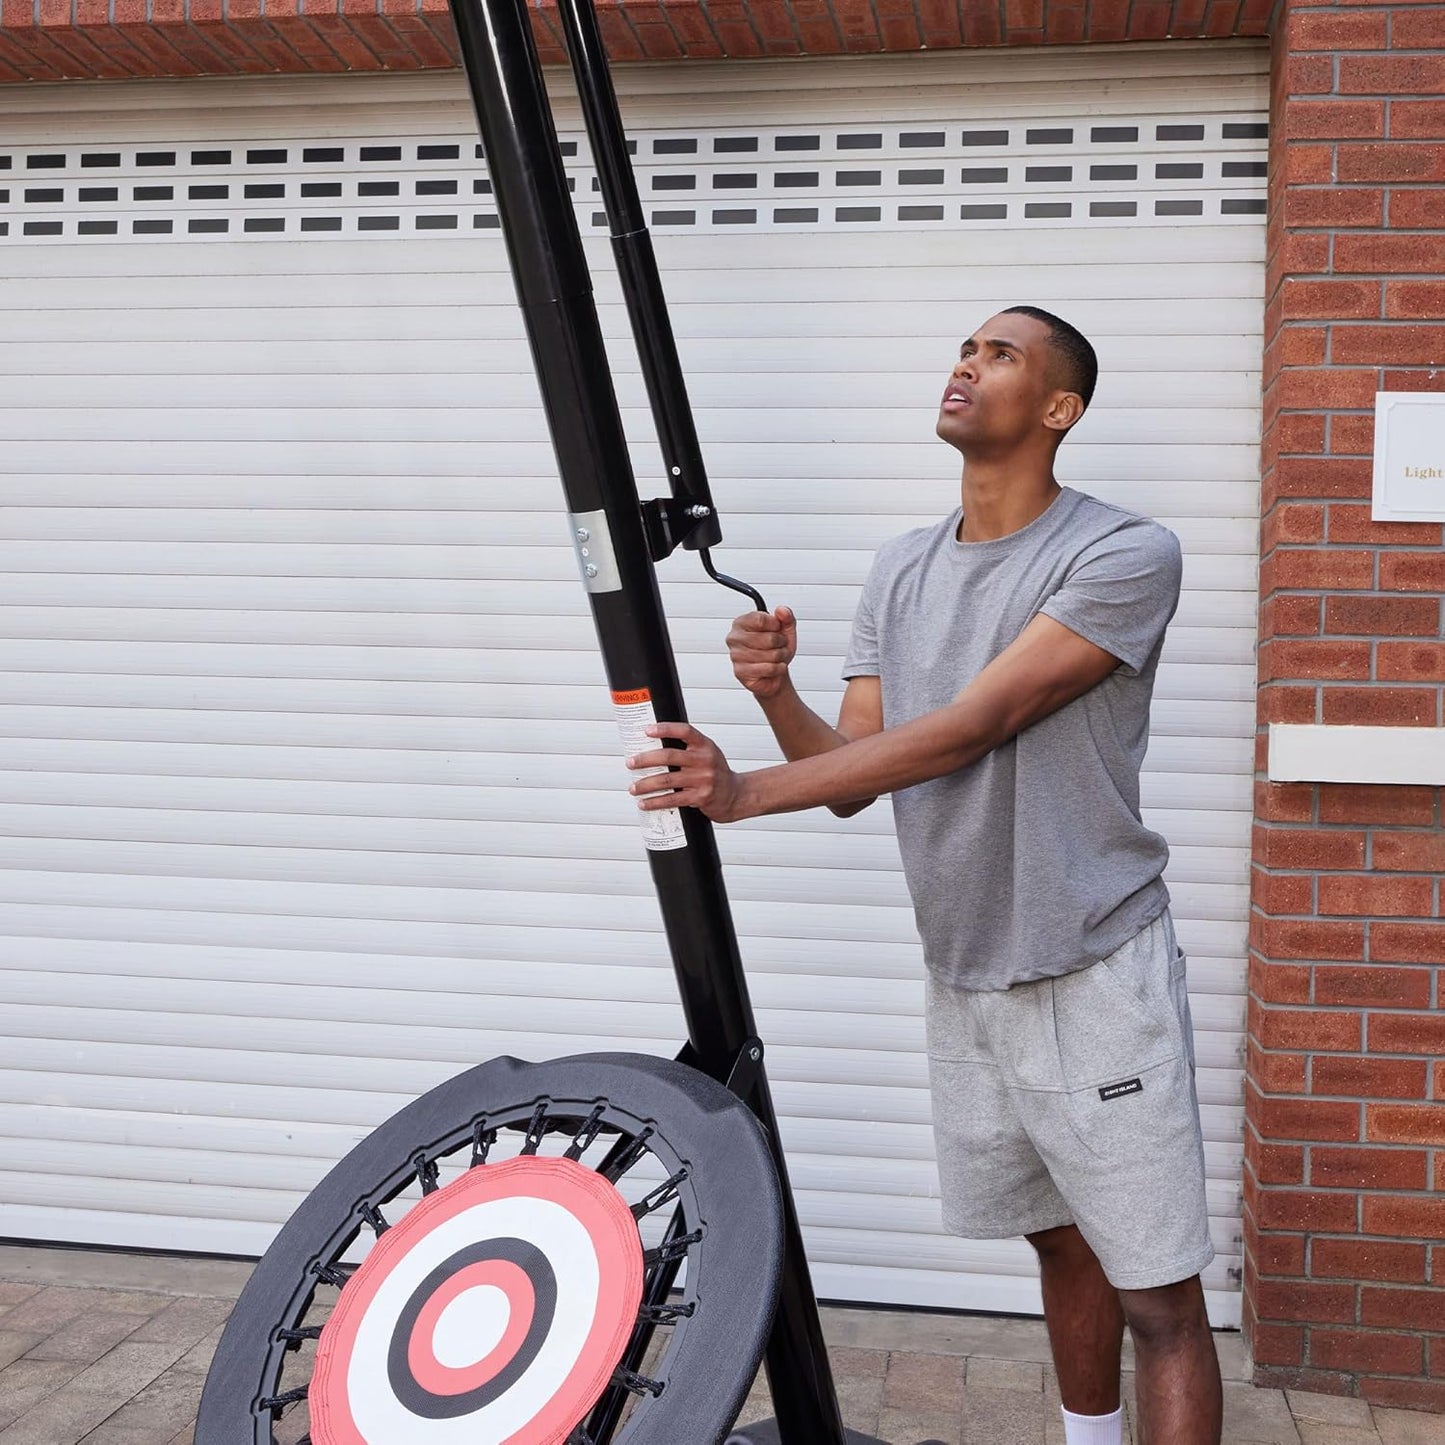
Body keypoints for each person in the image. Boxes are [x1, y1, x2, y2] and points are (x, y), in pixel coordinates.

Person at [625, 306, 1224, 1445]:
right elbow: (853, 773)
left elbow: (972, 725)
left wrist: (742, 791)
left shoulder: (1120, 554)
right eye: (963, 348)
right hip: (966, 970)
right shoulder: (900, 566)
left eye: (1000, 354)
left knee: (1157, 1293)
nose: (966, 364)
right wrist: (774, 694)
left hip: (1092, 965)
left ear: (1059, 408)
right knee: (1059, 1240)